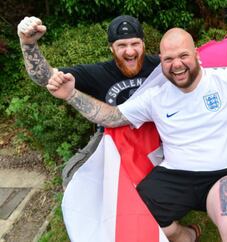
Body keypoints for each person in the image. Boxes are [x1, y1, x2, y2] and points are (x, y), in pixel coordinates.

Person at [46, 13, 227, 242]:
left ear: (197, 55)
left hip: (225, 172)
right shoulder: (154, 96)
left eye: (183, 56)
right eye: (168, 59)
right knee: (135, 210)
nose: (176, 64)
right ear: (160, 61)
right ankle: (183, 235)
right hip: (175, 174)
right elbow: (112, 116)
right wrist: (71, 94)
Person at [17, 15, 160, 187]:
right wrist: (28, 43)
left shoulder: (160, 66)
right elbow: (45, 77)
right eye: (121, 45)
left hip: (154, 134)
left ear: (143, 44)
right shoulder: (98, 73)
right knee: (74, 177)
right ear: (111, 49)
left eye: (135, 43)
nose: (130, 51)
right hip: (110, 137)